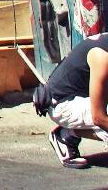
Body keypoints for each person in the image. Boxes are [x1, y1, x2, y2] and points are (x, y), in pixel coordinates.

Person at [43, 32, 108, 168]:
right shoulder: (102, 56)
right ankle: (65, 135)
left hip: (83, 95)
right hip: (62, 105)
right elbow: (99, 117)